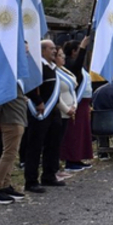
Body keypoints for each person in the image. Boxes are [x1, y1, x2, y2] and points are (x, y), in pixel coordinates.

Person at [24, 40, 64, 193]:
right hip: (39, 111)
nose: (54, 51)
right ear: (42, 50)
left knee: (53, 144)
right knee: (35, 146)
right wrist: (38, 101)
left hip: (53, 111)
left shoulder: (52, 67)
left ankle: (49, 175)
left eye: (55, 48)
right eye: (51, 48)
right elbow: (28, 86)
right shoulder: (37, 67)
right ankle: (31, 180)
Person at [61, 37, 93, 172]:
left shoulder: (78, 66)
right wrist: (83, 48)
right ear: (74, 51)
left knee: (81, 133)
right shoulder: (69, 64)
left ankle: (78, 157)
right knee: (74, 133)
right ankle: (71, 160)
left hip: (84, 103)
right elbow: (76, 67)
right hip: (76, 103)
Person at [54, 46, 78, 179]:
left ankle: (58, 167)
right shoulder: (54, 71)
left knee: (61, 140)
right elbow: (56, 94)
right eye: (60, 55)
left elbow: (72, 88)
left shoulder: (64, 70)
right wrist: (66, 109)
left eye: (63, 55)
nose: (63, 57)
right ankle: (54, 169)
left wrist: (74, 105)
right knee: (56, 141)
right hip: (61, 110)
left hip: (70, 107)